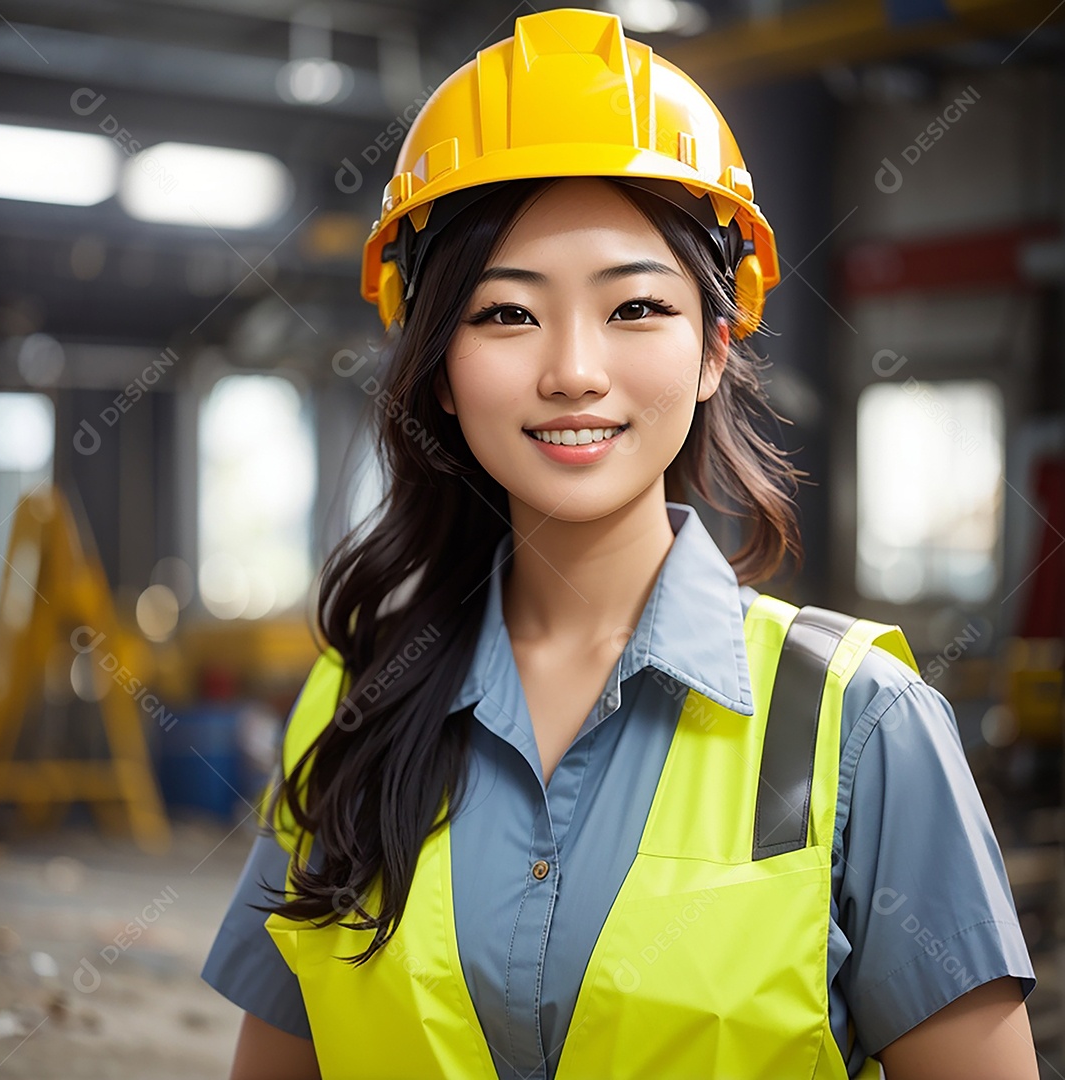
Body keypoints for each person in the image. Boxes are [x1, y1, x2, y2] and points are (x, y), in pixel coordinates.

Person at [202, 9, 1039, 1079]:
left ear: (711, 347)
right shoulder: (352, 705)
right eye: (506, 315)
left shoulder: (860, 730)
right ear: (436, 368)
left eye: (636, 306)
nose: (573, 371)